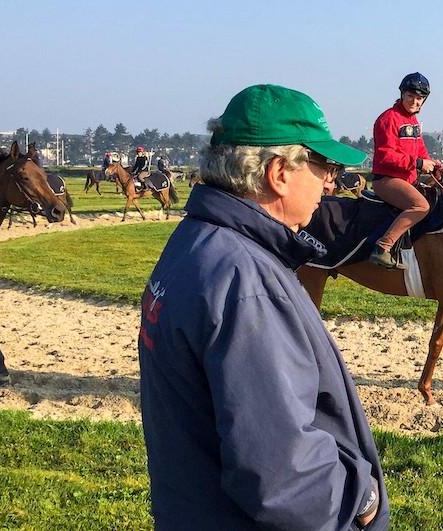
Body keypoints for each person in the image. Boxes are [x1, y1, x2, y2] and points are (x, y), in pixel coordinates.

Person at [138, 84, 389, 530]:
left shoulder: (196, 241)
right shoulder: (245, 282)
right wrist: (362, 495)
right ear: (279, 172)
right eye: (324, 166)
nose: (331, 182)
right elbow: (284, 475)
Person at [369, 72, 443, 268]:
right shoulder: (388, 119)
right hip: (386, 180)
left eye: (419, 98)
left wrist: (436, 166)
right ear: (402, 94)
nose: (414, 101)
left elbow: (421, 151)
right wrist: (419, 164)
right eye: (410, 96)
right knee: (421, 206)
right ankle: (382, 248)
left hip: (407, 180)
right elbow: (385, 155)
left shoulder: (413, 122)